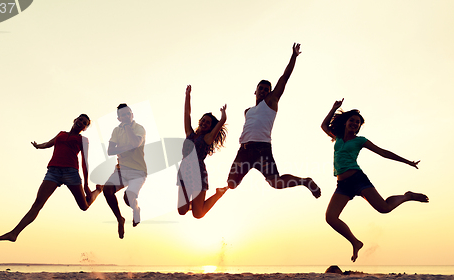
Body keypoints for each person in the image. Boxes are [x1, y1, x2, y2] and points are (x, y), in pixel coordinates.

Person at [321, 98, 429, 262]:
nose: (355, 124)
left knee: (384, 208)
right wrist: (333, 108)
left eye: (357, 123)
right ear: (345, 122)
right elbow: (323, 126)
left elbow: (384, 153)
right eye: (352, 120)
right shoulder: (337, 137)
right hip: (342, 185)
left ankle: (407, 196)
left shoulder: (360, 141)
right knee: (330, 218)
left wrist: (408, 161)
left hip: (358, 179)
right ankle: (355, 242)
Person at [227, 43, 321, 198]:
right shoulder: (247, 111)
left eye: (267, 89)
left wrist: (293, 56)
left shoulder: (271, 102)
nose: (263, 91)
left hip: (262, 149)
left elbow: (284, 78)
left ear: (270, 93)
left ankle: (305, 181)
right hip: (243, 151)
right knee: (232, 184)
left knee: (276, 183)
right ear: (255, 91)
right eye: (261, 88)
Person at [0, 114, 103, 242]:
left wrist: (85, 184)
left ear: (85, 128)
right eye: (80, 119)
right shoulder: (61, 134)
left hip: (71, 172)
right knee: (37, 204)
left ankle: (98, 190)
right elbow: (48, 144)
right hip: (53, 172)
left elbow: (85, 162)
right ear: (75, 120)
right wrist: (38, 146)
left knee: (84, 206)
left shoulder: (83, 140)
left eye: (84, 123)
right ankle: (14, 233)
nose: (81, 122)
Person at [177, 85, 228, 219]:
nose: (205, 123)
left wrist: (223, 118)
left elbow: (220, 124)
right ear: (200, 121)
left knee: (198, 214)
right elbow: (187, 114)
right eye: (203, 120)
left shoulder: (207, 138)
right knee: (181, 210)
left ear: (210, 127)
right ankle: (195, 203)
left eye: (208, 123)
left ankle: (219, 193)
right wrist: (187, 96)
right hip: (184, 171)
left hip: (198, 174)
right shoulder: (190, 134)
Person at [103, 104, 147, 239]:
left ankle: (136, 209)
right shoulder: (116, 130)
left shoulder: (139, 128)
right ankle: (119, 219)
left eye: (128, 113)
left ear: (132, 114)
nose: (126, 116)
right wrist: (127, 147)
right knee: (107, 190)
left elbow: (135, 143)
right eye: (123, 115)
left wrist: (127, 128)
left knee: (127, 198)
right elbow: (110, 151)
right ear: (119, 118)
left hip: (137, 171)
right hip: (121, 170)